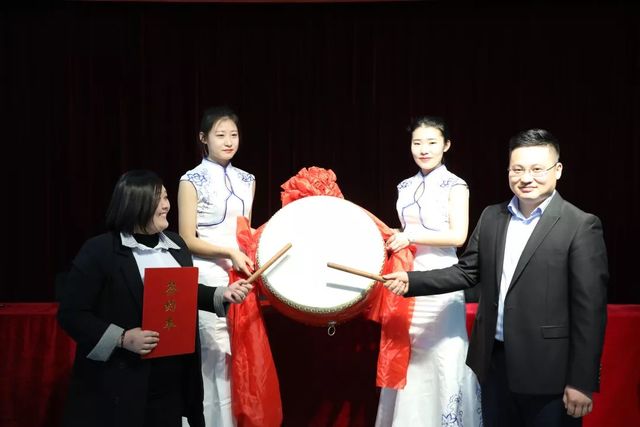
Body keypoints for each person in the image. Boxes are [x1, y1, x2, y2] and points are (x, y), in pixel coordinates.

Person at [383, 129, 608, 427]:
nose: (526, 178)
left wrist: (581, 380)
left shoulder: (580, 225)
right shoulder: (492, 216)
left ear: (558, 170)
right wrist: (412, 281)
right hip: (493, 364)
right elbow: (467, 271)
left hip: (549, 371)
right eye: (518, 169)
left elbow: (589, 311)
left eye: (537, 169)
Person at [57, 170, 253, 427]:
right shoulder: (100, 250)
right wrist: (122, 338)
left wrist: (221, 293)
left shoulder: (176, 245)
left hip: (171, 380)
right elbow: (72, 314)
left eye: (166, 197)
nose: (166, 206)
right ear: (135, 203)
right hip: (121, 381)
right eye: (158, 199)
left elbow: (180, 291)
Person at [375, 116, 482, 426]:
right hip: (406, 275)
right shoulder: (404, 186)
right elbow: (406, 231)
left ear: (446, 145)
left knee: (443, 353)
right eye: (417, 142)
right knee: (409, 355)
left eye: (432, 142)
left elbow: (458, 236)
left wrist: (410, 236)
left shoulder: (456, 185)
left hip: (442, 278)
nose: (424, 149)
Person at [178, 106, 255, 427]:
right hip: (207, 275)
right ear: (203, 138)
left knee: (239, 359)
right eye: (220, 135)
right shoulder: (190, 180)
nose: (228, 141)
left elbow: (245, 231)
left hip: (241, 275)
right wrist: (228, 251)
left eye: (233, 135)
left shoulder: (247, 179)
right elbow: (186, 238)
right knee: (212, 359)